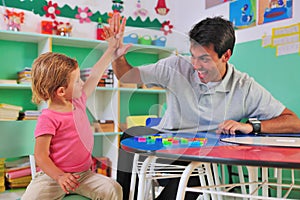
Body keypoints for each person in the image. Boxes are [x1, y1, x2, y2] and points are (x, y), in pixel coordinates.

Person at [109, 14, 300, 200]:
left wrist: (252, 127)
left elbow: (293, 122)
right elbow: (127, 76)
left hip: (200, 159)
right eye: (193, 56)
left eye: (204, 59)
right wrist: (117, 57)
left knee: (193, 176)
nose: (195, 65)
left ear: (226, 55)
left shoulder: (243, 87)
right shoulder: (176, 66)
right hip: (166, 145)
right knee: (131, 135)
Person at [21, 16, 123, 200]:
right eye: (77, 81)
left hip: (84, 176)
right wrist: (59, 176)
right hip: (52, 178)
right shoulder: (48, 118)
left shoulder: (78, 101)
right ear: (61, 91)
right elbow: (41, 155)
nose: (82, 83)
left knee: (113, 189)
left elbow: (94, 75)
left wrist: (111, 49)